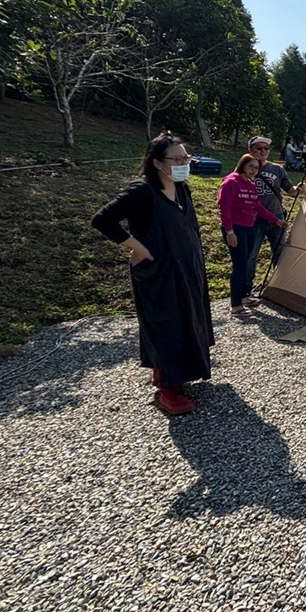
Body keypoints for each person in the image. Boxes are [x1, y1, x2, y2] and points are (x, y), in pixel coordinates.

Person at [92, 132, 213, 416]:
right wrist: (138, 248)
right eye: (178, 159)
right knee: (165, 325)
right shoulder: (142, 192)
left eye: (187, 158)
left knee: (188, 320)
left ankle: (173, 374)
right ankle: (168, 390)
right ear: (158, 163)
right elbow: (102, 220)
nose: (184, 163)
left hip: (187, 268)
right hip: (158, 272)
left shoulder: (182, 188)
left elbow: (190, 225)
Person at [218, 155, 287, 316]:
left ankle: (243, 297)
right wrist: (229, 231)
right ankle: (235, 306)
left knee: (245, 262)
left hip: (249, 228)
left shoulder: (250, 183)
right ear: (242, 165)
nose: (254, 171)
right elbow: (224, 209)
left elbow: (258, 207)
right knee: (240, 265)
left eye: (256, 168)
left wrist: (277, 221)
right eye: (251, 167)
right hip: (235, 229)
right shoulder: (231, 182)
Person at [245, 135, 306, 291]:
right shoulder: (243, 168)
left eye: (266, 148)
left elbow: (290, 191)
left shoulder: (277, 169)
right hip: (253, 220)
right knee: (250, 256)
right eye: (259, 148)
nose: (263, 151)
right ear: (250, 150)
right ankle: (246, 290)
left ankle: (280, 287)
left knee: (280, 254)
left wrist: (299, 189)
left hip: (277, 218)